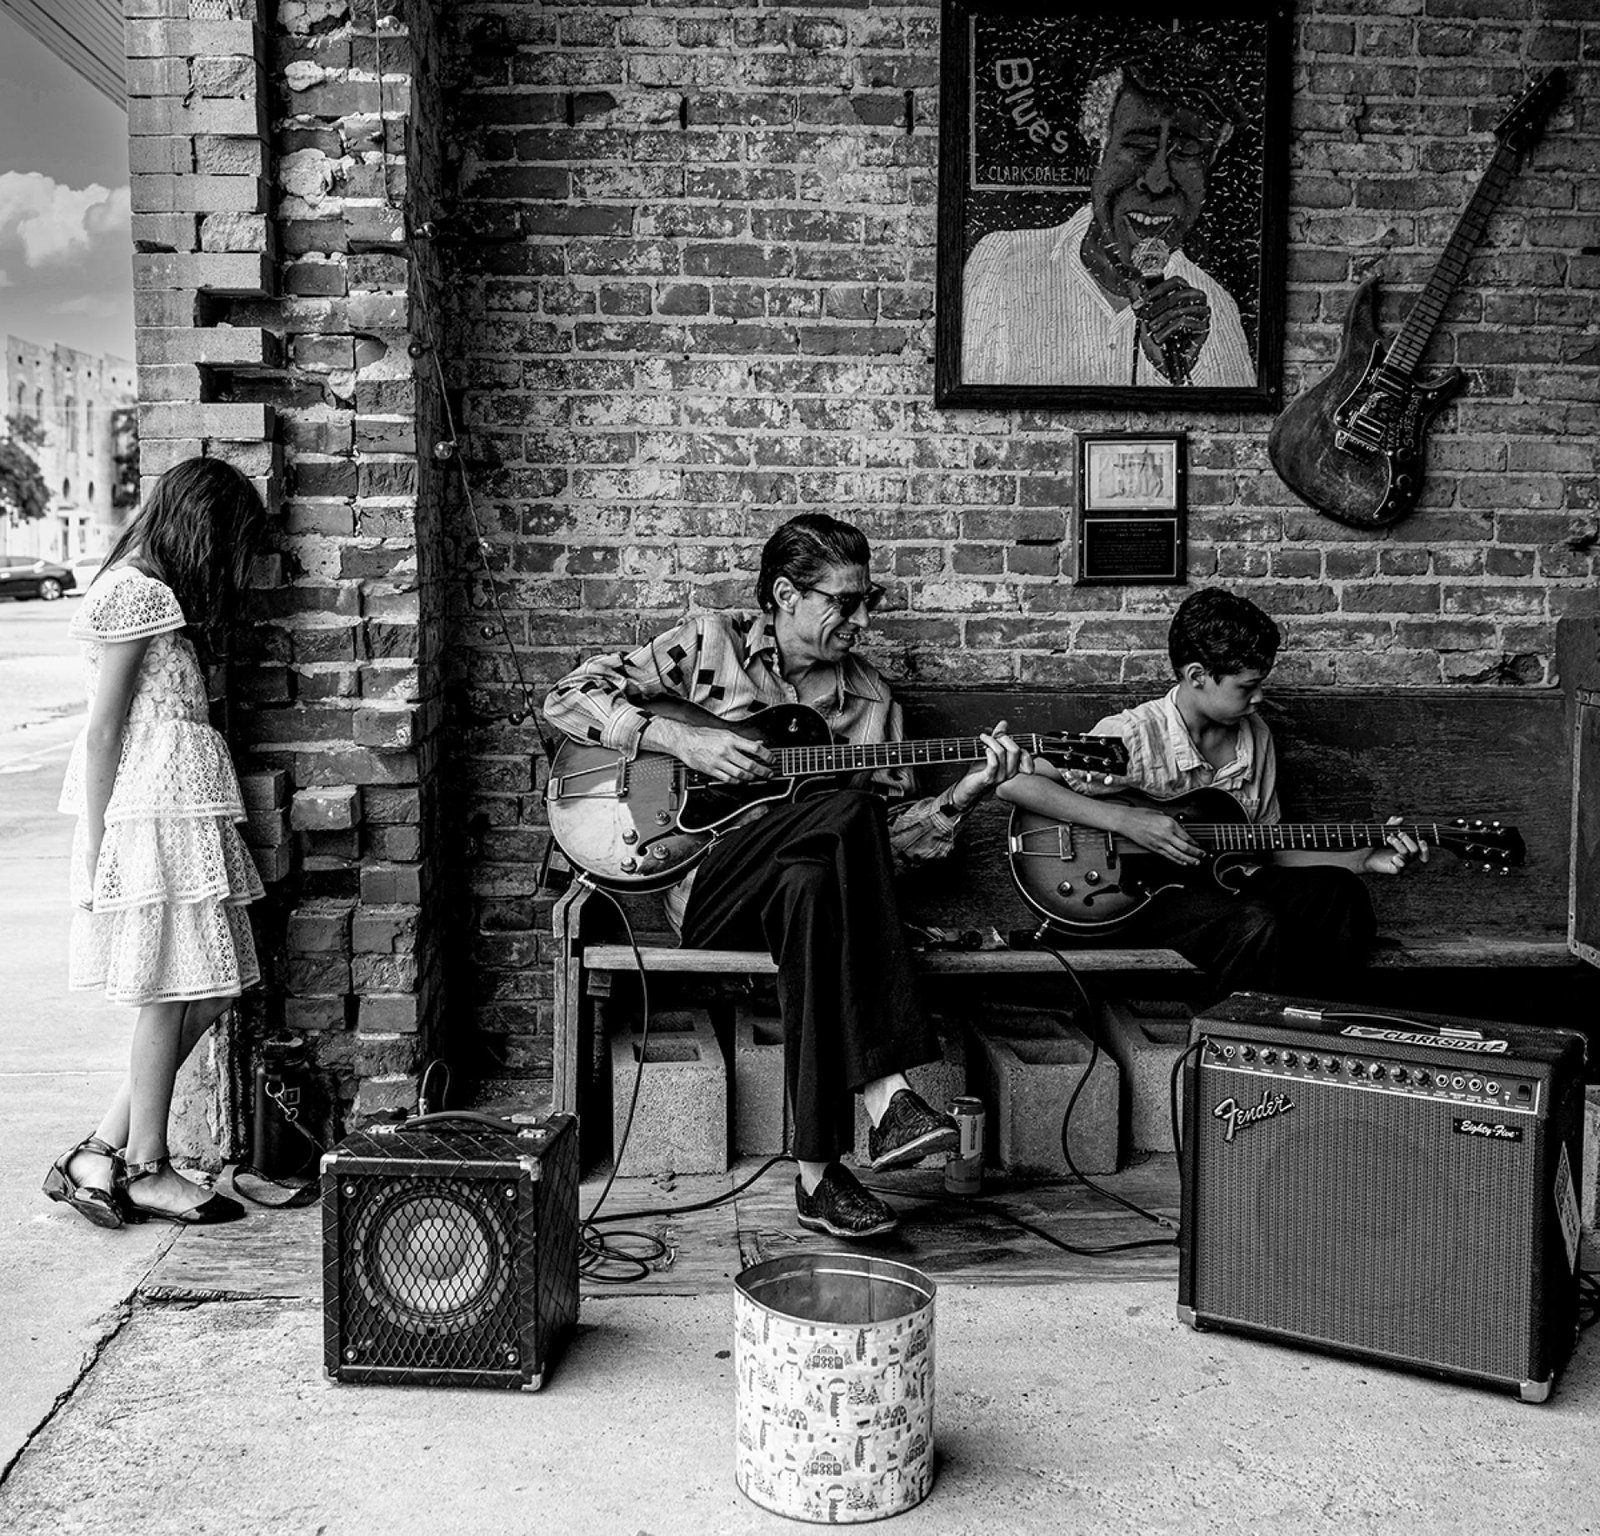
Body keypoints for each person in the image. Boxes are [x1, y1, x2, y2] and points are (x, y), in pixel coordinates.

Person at [544, 513, 1029, 1239]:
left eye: (868, 600)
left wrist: (966, 794)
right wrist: (679, 738)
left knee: (818, 874)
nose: (863, 619)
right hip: (701, 882)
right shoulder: (711, 642)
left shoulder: (870, 704)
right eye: (845, 601)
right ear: (784, 594)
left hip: (802, 898)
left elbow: (881, 853)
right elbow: (566, 696)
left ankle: (818, 1174)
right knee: (843, 810)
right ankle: (887, 1090)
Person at [42, 458, 270, 1228]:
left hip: (176, 810)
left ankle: (99, 1151)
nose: (234, 564)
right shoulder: (136, 591)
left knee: (210, 988)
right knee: (175, 990)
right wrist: (102, 843)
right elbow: (103, 729)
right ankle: (147, 1167)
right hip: (149, 815)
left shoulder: (151, 592)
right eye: (232, 542)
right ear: (201, 526)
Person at [998, 588, 1426, 995]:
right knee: (1256, 925)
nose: (1259, 697)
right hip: (1138, 897)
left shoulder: (1255, 736)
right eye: (1247, 686)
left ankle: (1308, 1036)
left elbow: (1265, 847)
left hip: (1223, 886)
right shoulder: (1135, 734)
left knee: (1341, 896)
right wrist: (1123, 819)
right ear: (1198, 676)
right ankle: (1228, 1051)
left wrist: (1363, 860)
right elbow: (1014, 781)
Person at [962, 30, 1254, 389]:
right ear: (1095, 148)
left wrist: (1177, 374)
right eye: (1139, 146)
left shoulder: (1216, 310)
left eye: (1187, 151)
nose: (1159, 181)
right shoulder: (1002, 264)